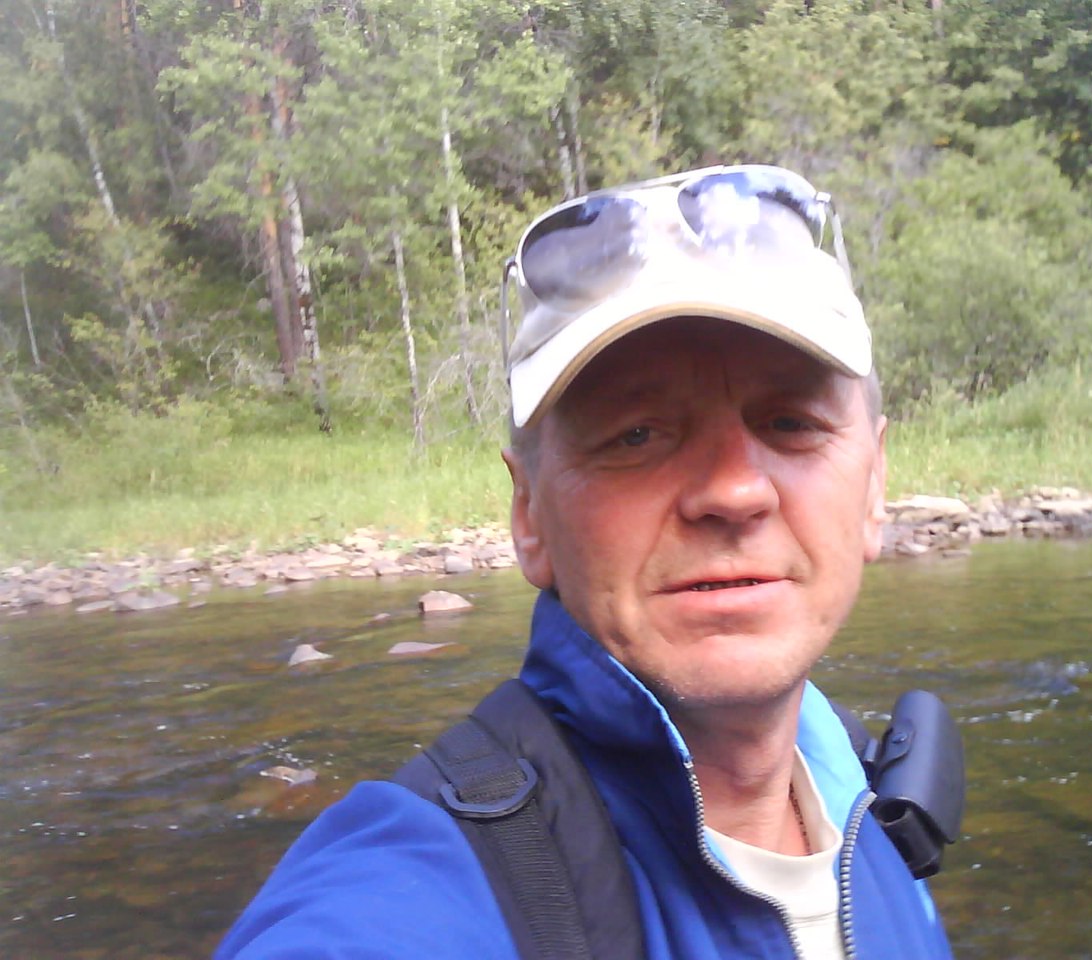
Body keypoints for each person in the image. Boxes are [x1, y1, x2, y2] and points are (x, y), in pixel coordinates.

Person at [216, 165, 953, 959]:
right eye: (636, 434)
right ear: (529, 514)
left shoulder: (864, 806)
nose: (734, 490)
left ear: (874, 485)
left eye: (791, 422)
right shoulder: (410, 890)